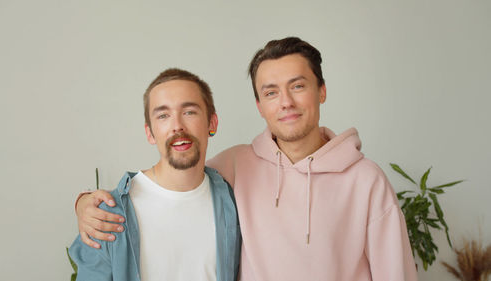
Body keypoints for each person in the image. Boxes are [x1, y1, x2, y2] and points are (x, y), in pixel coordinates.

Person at [75, 37, 418, 280]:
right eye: (271, 92)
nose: (285, 102)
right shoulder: (237, 166)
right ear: (259, 105)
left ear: (321, 91)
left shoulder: (367, 181)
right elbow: (177, 176)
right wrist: (84, 204)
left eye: (298, 86)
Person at [69, 68, 241, 281]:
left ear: (212, 123)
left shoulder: (233, 202)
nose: (177, 126)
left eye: (189, 112)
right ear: (150, 133)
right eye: (163, 116)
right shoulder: (106, 216)